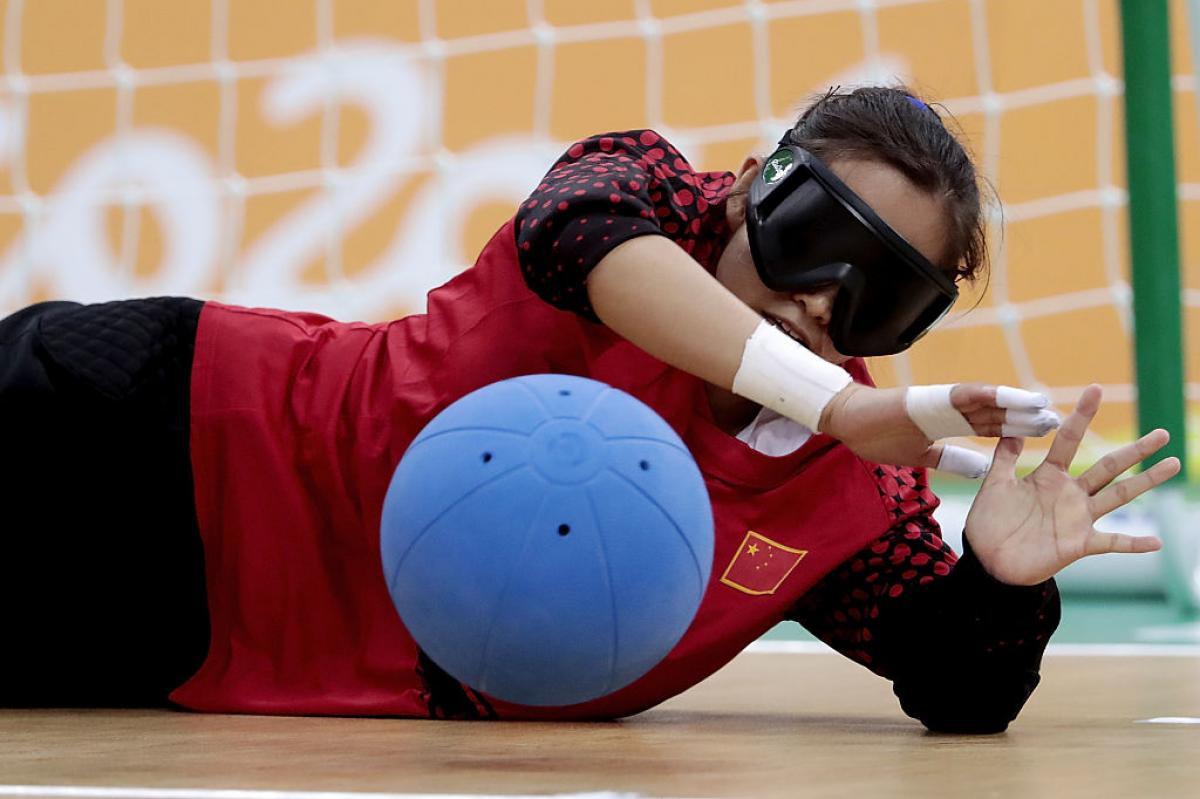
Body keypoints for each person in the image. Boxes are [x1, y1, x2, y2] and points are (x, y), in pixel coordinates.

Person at [0, 86, 1178, 732]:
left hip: (188, 643)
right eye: (816, 240)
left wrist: (1001, 581)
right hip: (154, 433)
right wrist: (836, 406)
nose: (824, 300)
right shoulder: (644, 194)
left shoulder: (856, 492)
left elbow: (956, 687)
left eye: (886, 298)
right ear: (748, 197)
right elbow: (585, 243)